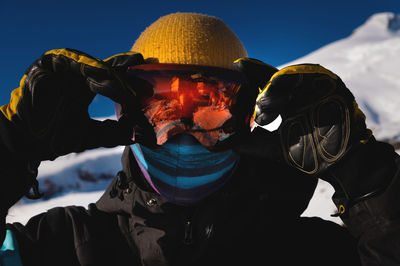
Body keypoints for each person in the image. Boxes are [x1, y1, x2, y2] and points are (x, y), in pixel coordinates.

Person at [0, 12, 399, 266]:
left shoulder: (306, 252)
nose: (182, 133)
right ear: (126, 115)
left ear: (248, 117)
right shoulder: (58, 246)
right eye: (158, 104)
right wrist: (9, 151)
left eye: (211, 103)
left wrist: (369, 186)